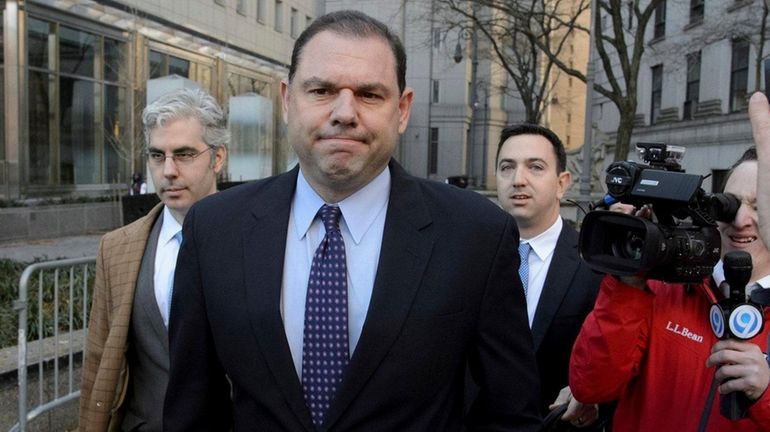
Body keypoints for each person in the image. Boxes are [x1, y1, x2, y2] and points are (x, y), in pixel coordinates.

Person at [163, 10, 541, 431]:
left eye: (369, 95)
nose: (345, 112)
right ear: (288, 100)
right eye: (322, 90)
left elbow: (511, 415)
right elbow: (193, 409)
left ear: (402, 109)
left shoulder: (476, 236)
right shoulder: (214, 229)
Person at [569, 92, 770, 431]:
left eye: (760, 206)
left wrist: (763, 393)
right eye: (732, 204)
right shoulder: (666, 287)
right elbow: (591, 385)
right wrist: (627, 285)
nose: (742, 220)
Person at [79, 87, 228, 432]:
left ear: (217, 158)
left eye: (185, 154)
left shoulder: (257, 242)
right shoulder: (117, 248)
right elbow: (99, 359)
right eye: (157, 156)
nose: (169, 171)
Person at [495, 124, 603, 428]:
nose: (518, 179)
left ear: (561, 183)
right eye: (507, 167)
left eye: (535, 167)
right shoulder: (469, 256)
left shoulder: (594, 265)